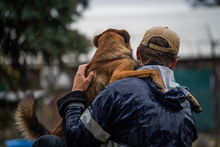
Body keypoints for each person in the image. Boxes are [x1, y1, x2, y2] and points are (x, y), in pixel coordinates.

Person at [33, 26, 198, 147]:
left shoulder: (118, 91)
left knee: (49, 143)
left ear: (139, 53)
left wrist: (75, 95)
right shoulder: (186, 105)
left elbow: (77, 140)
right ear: (174, 63)